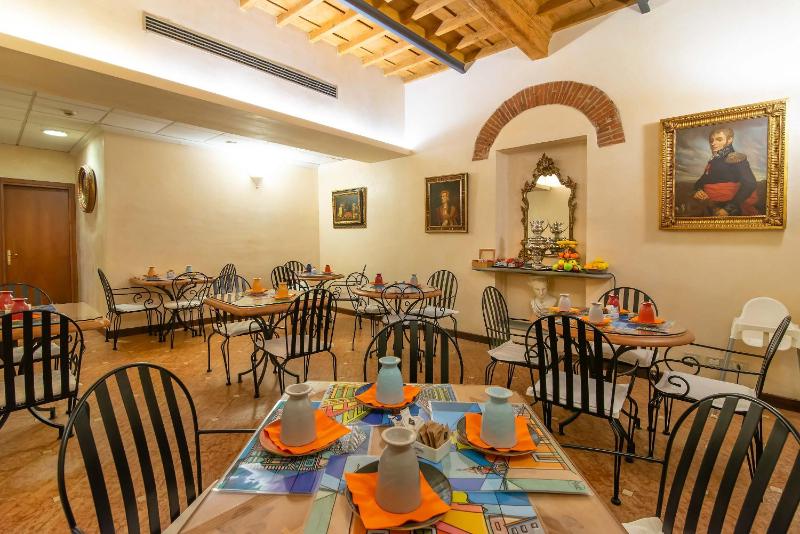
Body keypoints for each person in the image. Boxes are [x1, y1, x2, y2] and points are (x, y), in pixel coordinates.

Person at [692, 127, 758, 216]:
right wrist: (698, 190)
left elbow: (750, 184)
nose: (713, 143)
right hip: (709, 205)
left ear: (729, 140)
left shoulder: (736, 158)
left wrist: (728, 209)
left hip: (729, 207)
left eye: (719, 140)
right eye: (711, 140)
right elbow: (700, 182)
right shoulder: (713, 161)